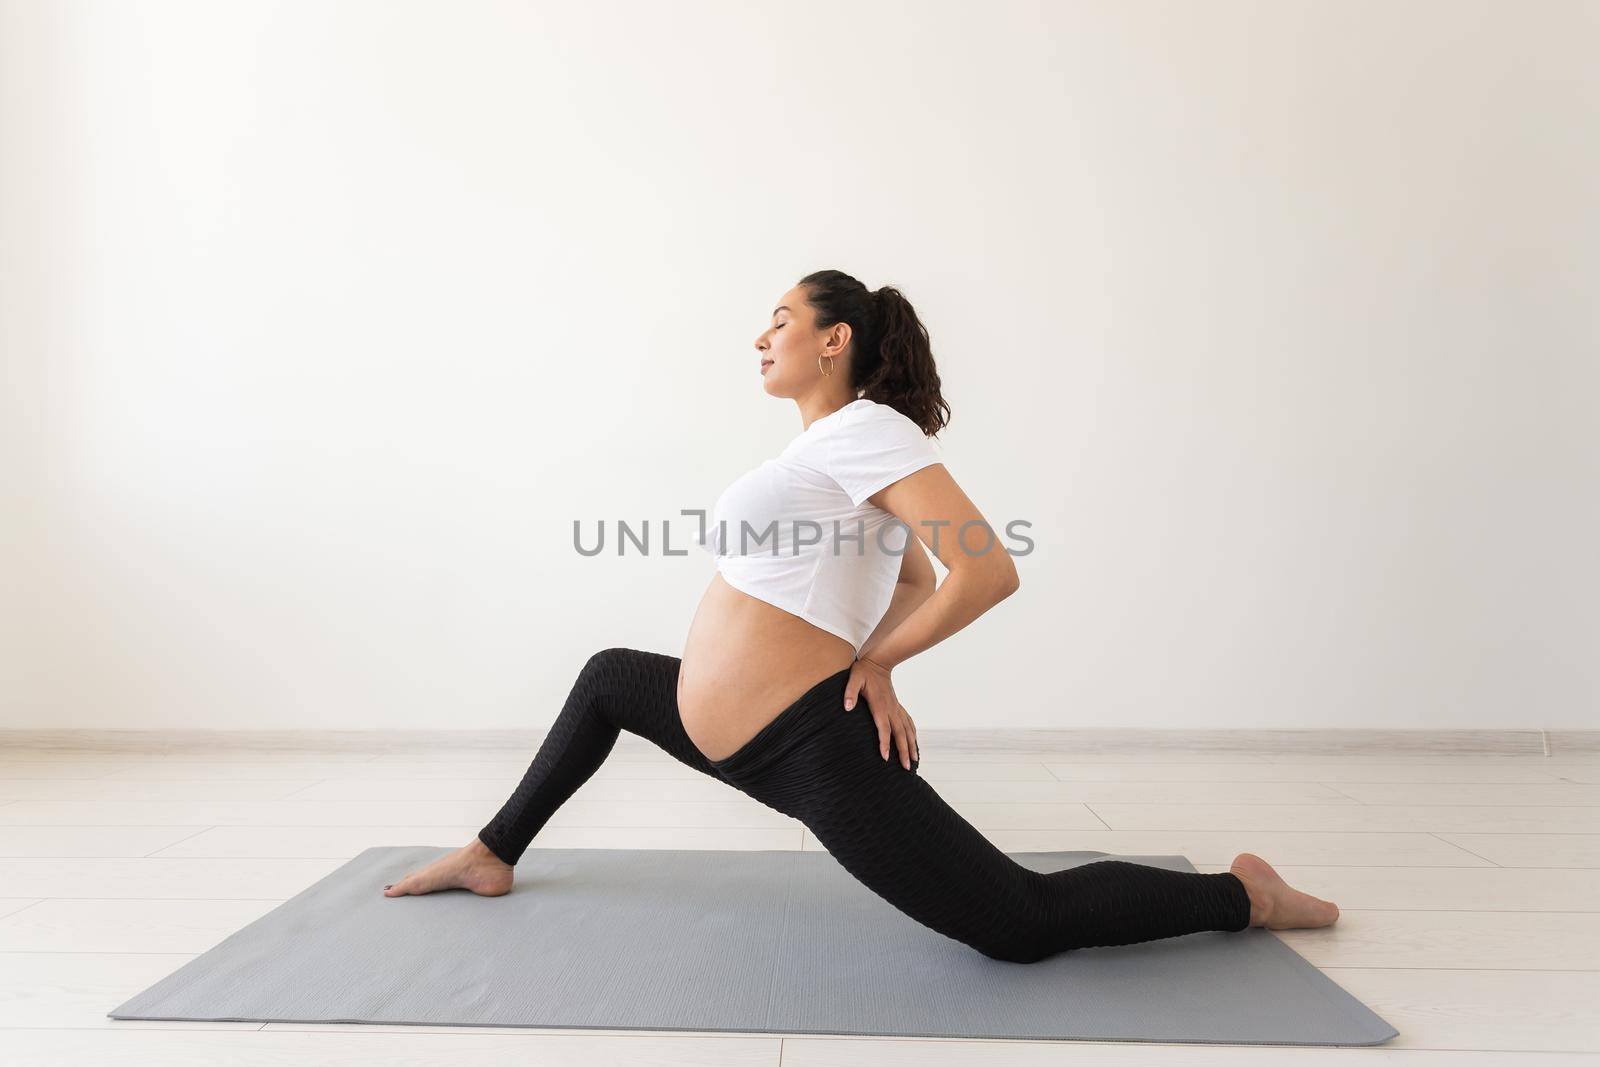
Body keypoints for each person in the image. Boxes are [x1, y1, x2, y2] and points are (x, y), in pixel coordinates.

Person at [380, 269, 1339, 963]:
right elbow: (917, 580)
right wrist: (879, 646)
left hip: (809, 745)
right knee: (608, 678)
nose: (762, 336)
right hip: (739, 734)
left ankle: (1243, 894)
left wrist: (875, 668)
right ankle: (491, 852)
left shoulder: (868, 430)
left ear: (835, 339)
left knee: (1019, 923)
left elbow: (982, 569)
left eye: (781, 319)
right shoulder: (832, 450)